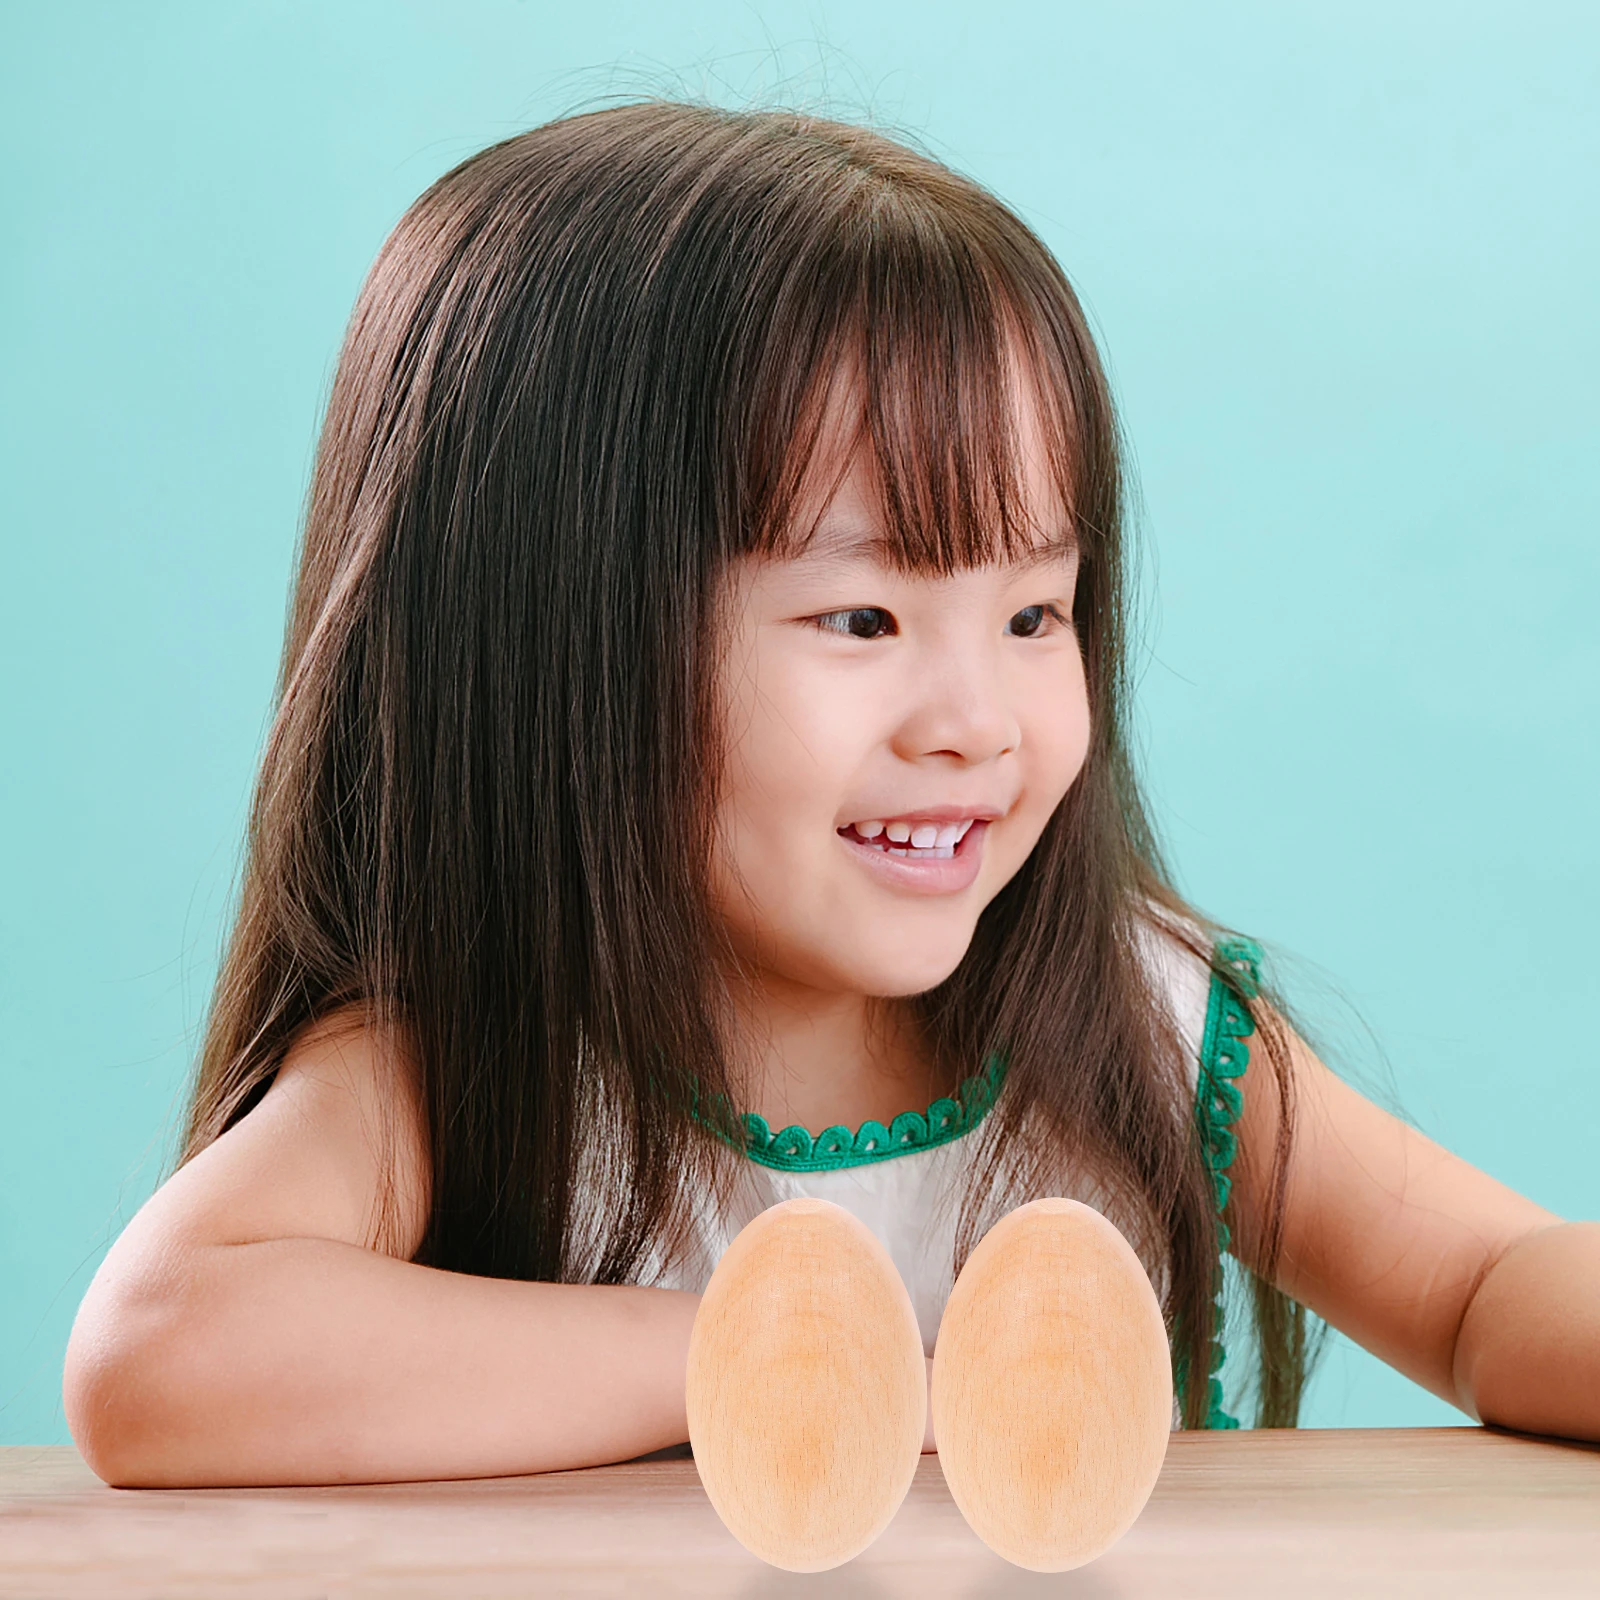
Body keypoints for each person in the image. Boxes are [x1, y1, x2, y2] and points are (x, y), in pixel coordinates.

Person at [62, 101, 1599, 1488]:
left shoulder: (1130, 1019)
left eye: (1034, 615)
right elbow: (160, 1353)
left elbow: (1482, 1290)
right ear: (552, 642)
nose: (975, 723)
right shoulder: (469, 1065)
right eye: (862, 620)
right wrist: (773, 1357)